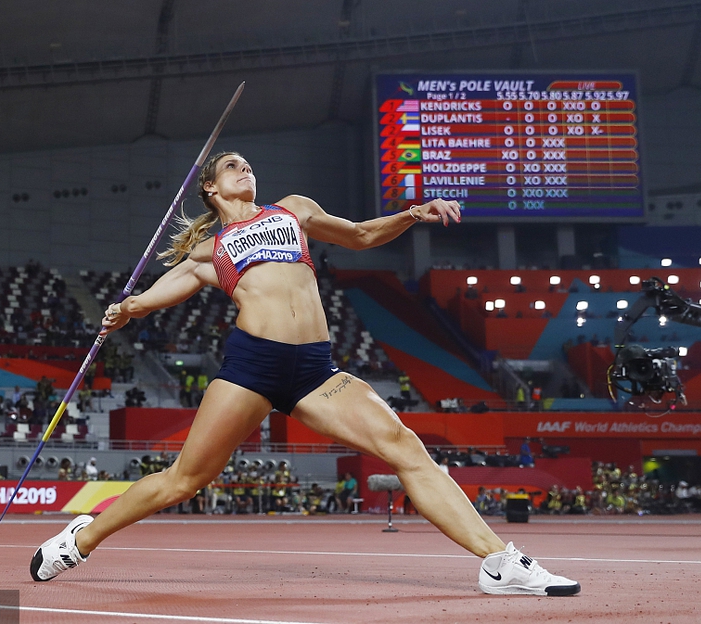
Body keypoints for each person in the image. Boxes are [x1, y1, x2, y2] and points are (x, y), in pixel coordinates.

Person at [29, 151, 579, 596]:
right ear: (212, 191)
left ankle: (497, 563)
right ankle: (81, 538)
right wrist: (125, 309)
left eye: (248, 163)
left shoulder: (292, 210)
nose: (246, 168)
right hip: (251, 366)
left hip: (315, 369)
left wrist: (413, 213)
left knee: (405, 446)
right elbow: (151, 298)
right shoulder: (208, 249)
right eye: (232, 167)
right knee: (184, 481)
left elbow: (362, 235)